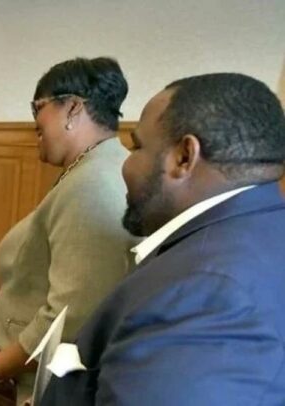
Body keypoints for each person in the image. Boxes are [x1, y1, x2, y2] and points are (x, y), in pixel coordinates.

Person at [41, 73, 285, 405]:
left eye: (137, 146)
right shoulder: (259, 228)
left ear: (184, 157)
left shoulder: (206, 293)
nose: (126, 164)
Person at [0, 57, 137, 403]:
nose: (33, 120)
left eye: (38, 107)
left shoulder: (93, 184)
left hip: (52, 384)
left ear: (72, 108)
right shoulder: (93, 168)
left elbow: (70, 316)